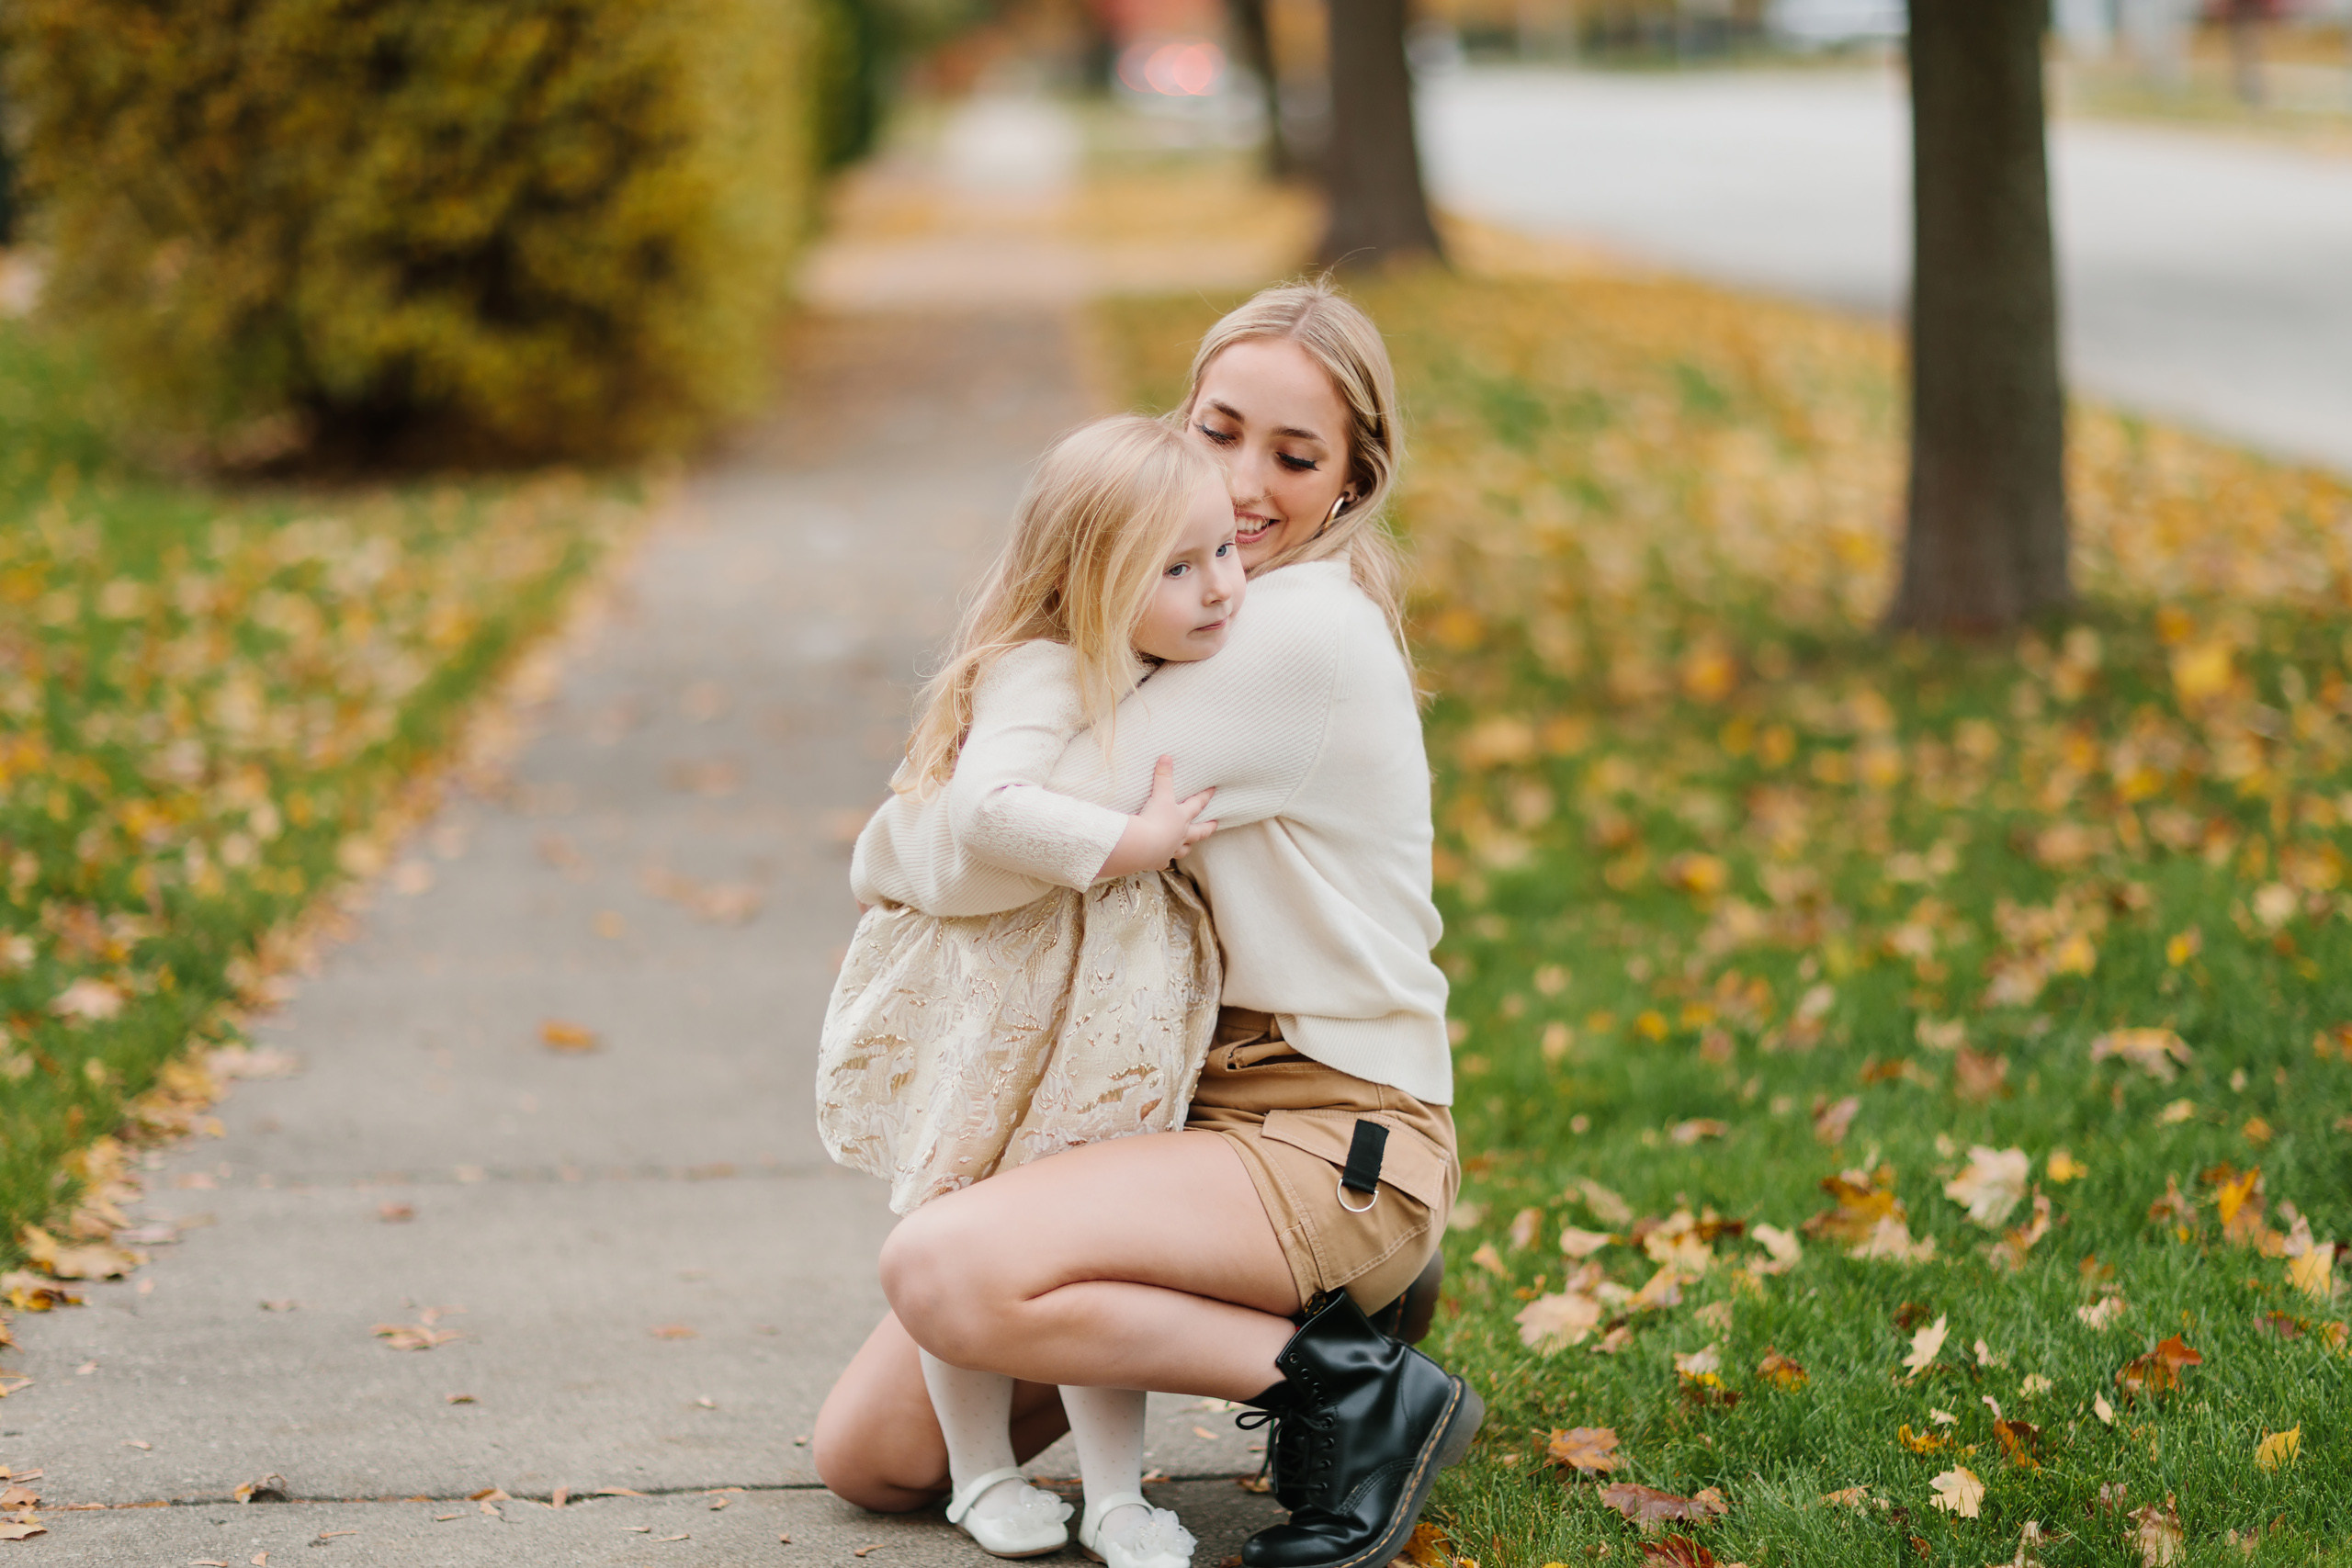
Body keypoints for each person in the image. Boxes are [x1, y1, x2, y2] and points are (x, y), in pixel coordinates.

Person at [818, 280, 1479, 1568]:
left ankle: (1358, 1388)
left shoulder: (1289, 630)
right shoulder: (1190, 604)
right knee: (875, 1453)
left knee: (946, 1268)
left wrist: (887, 839)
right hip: (1175, 1108)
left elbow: (985, 844)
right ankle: (1337, 1317)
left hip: (1324, 1126)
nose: (1242, 484)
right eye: (1218, 428)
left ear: (1353, 482)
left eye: (1294, 457)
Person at [822, 416, 1241, 1568]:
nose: (1220, 588)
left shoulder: (1151, 662)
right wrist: (1134, 839)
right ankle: (979, 1477)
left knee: (1089, 1256)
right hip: (1004, 1016)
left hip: (1091, 1024)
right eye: (1177, 566)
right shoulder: (1044, 668)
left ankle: (1116, 1496)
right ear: (1089, 578)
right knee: (964, 1230)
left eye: (1224, 552)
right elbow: (983, 811)